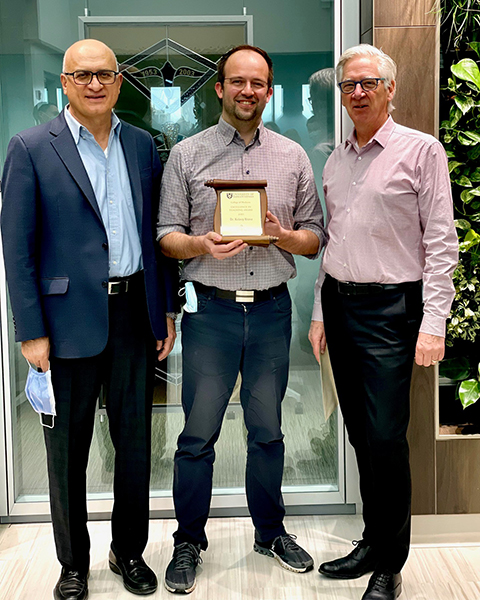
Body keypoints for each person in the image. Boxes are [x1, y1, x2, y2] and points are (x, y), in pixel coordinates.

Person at [1, 39, 178, 600]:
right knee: (67, 451)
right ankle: (72, 564)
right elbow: (17, 250)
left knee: (135, 446)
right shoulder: (31, 147)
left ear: (120, 81)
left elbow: (156, 235)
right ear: (65, 82)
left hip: (133, 313)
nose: (94, 84)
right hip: (64, 322)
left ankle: (129, 551)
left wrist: (165, 309)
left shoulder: (142, 145)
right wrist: (31, 331)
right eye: (82, 75)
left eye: (104, 74)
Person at [157, 44, 326, 594]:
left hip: (272, 312)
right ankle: (188, 541)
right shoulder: (188, 155)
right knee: (197, 435)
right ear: (220, 88)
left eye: (257, 83)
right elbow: (166, 236)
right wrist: (199, 244)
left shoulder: (292, 157)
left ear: (269, 91)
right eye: (237, 81)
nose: (247, 91)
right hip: (212, 315)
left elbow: (314, 237)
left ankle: (270, 532)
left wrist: (282, 235)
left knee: (268, 433)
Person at [308, 44, 458, 600]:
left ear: (390, 89)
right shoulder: (336, 158)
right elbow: (334, 242)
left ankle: (390, 564)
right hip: (341, 306)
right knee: (359, 433)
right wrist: (321, 312)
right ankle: (373, 541)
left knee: (387, 438)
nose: (357, 92)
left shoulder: (422, 151)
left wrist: (434, 323)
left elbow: (441, 242)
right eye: (349, 84)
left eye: (368, 82)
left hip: (393, 311)